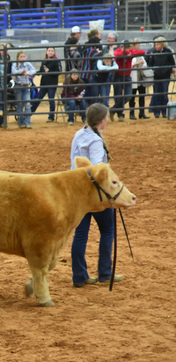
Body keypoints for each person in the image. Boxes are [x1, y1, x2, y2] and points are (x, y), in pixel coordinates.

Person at [70, 103, 123, 288]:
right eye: (107, 117)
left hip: (78, 192)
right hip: (96, 195)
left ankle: (79, 277)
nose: (108, 120)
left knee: (80, 234)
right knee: (107, 231)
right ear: (102, 120)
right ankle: (105, 273)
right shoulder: (95, 140)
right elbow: (97, 170)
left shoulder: (79, 134)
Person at [111, 39, 145, 121]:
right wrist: (127, 52)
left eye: (128, 47)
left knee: (129, 95)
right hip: (117, 76)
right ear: (121, 46)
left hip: (127, 76)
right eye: (124, 47)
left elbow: (142, 52)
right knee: (118, 96)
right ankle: (120, 114)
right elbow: (117, 55)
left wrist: (129, 52)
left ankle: (113, 110)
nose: (126, 48)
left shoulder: (130, 51)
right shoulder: (118, 50)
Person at [145, 36, 176, 119]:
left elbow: (172, 63)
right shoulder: (154, 52)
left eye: (158, 44)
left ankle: (165, 111)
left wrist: (172, 70)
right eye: (155, 44)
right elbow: (151, 64)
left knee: (164, 94)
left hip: (165, 76)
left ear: (162, 45)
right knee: (157, 94)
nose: (156, 46)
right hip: (156, 76)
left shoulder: (168, 52)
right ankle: (157, 112)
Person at [31, 47, 61, 123]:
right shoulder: (44, 61)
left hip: (52, 84)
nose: (50, 52)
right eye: (49, 51)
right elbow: (41, 71)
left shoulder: (56, 61)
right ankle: (29, 114)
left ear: (54, 52)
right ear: (46, 52)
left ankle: (51, 117)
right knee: (38, 99)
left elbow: (59, 72)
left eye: (52, 51)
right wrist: (34, 74)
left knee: (51, 100)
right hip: (44, 84)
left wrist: (49, 71)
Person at [11, 51, 36, 129]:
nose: (22, 58)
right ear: (18, 58)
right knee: (20, 105)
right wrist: (22, 71)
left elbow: (34, 70)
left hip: (26, 86)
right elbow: (13, 72)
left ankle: (28, 123)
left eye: (24, 56)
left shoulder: (28, 64)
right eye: (21, 57)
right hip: (18, 86)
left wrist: (27, 73)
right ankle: (21, 123)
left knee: (27, 105)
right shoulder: (15, 64)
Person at [129, 40, 150, 120]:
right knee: (132, 97)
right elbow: (129, 64)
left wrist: (143, 66)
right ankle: (132, 113)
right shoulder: (131, 54)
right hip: (134, 79)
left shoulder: (140, 55)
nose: (139, 46)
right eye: (137, 45)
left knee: (142, 96)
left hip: (141, 78)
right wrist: (138, 64)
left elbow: (145, 63)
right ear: (133, 46)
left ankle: (142, 113)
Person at [80, 37, 102, 106]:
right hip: (90, 76)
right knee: (92, 94)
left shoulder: (85, 49)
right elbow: (97, 64)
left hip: (83, 74)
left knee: (86, 93)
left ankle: (84, 110)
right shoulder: (94, 52)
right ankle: (89, 110)